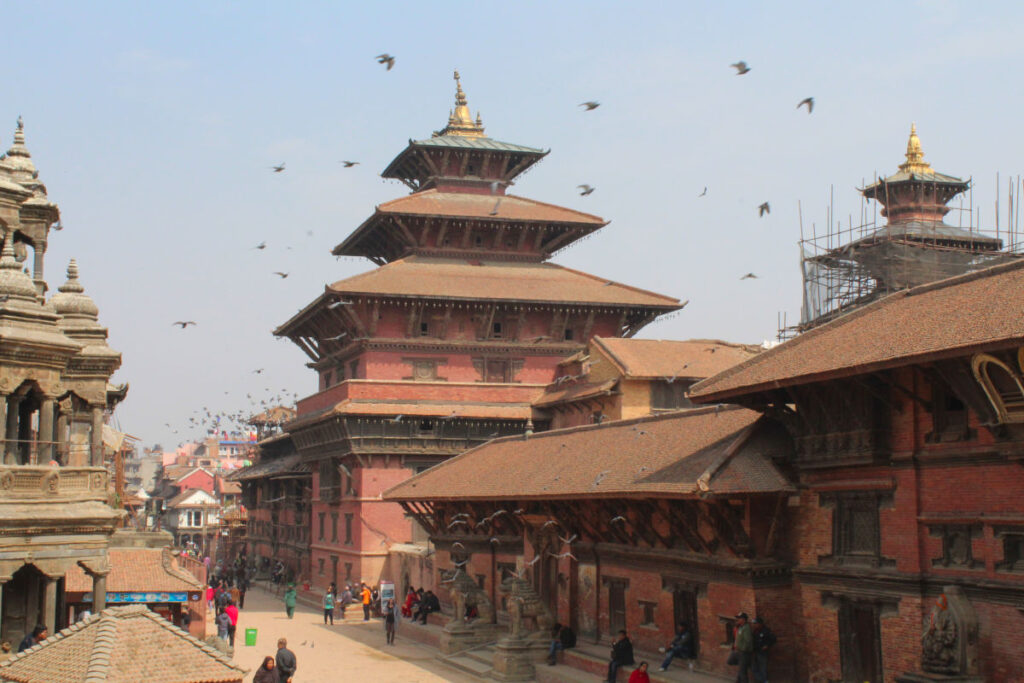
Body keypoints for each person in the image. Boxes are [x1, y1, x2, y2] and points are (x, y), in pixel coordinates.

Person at [751, 616, 776, 683]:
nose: (754, 625)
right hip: (756, 651)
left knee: (763, 668)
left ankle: (765, 681)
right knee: (754, 668)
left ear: (760, 623)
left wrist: (767, 645)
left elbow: (773, 639)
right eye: (754, 624)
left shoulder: (766, 630)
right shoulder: (755, 631)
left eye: (756, 623)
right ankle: (760, 680)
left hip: (762, 652)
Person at [732, 612, 754, 683]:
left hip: (744, 652)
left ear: (744, 620)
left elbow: (747, 641)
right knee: (741, 669)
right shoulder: (741, 627)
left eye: (739, 618)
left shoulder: (746, 628)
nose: (738, 620)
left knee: (742, 671)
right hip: (740, 651)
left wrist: (743, 649)